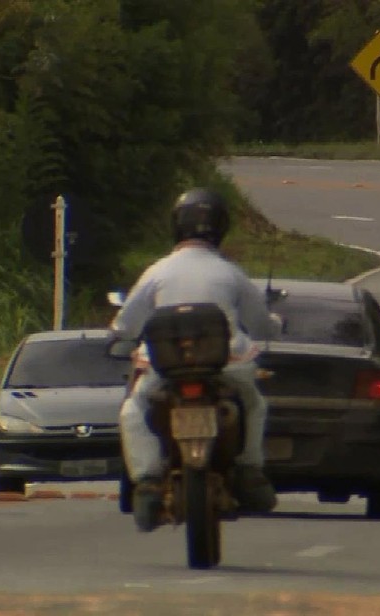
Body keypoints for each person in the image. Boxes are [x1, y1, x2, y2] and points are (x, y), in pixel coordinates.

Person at [111, 187, 279, 532]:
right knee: (255, 403)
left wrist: (117, 333)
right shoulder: (231, 273)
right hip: (227, 363)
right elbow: (262, 324)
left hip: (165, 366)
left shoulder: (157, 272)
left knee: (133, 410)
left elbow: (126, 325)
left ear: (177, 225)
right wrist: (276, 323)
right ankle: (250, 469)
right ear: (221, 227)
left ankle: (147, 483)